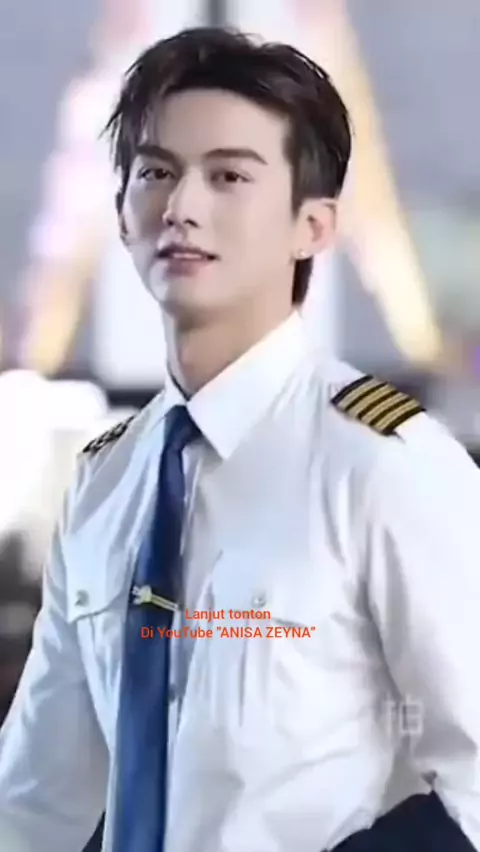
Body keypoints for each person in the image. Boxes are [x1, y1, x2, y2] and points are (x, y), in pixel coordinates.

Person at [0, 25, 479, 852]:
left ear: (313, 226)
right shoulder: (108, 482)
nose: (182, 207)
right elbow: (37, 800)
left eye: (228, 176)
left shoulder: (385, 466)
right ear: (122, 215)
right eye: (157, 172)